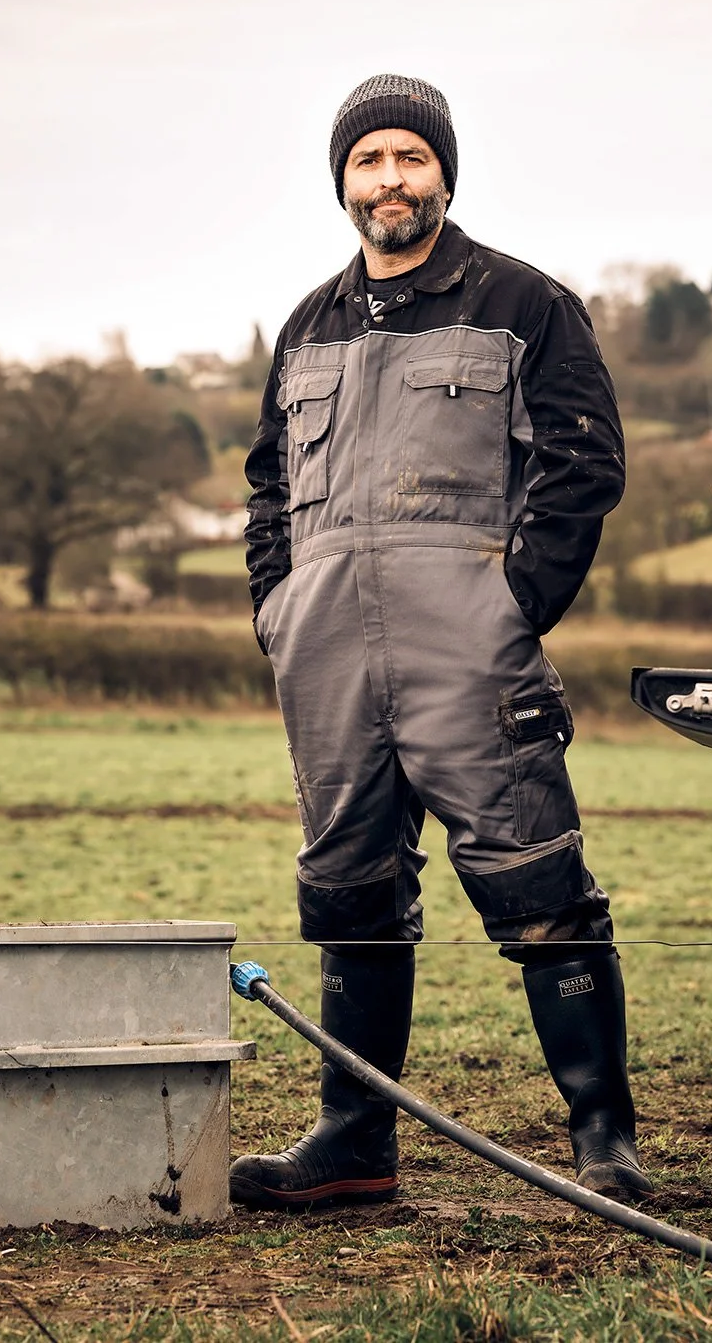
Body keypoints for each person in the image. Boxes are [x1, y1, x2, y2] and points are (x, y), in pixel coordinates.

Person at [232, 73, 645, 1208]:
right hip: (326, 656)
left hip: (470, 648)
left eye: (410, 157)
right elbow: (267, 487)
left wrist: (510, 607)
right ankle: (353, 1140)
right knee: (349, 887)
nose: (390, 179)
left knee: (538, 879)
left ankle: (603, 1142)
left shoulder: (524, 303)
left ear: (445, 176)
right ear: (342, 183)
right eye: (368, 160)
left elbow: (583, 463)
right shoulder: (307, 327)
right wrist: (278, 608)